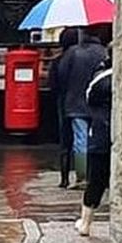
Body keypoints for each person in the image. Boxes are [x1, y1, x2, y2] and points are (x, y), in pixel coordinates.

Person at [55, 26, 107, 187]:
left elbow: (61, 76)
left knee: (80, 139)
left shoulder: (72, 53)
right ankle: (98, 175)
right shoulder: (103, 52)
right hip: (99, 103)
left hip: (76, 103)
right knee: (100, 139)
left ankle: (82, 176)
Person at [75, 51, 113, 236]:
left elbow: (89, 97)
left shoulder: (102, 78)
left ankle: (86, 222)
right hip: (119, 135)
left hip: (101, 134)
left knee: (95, 181)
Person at [50, 28, 80, 188]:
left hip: (64, 104)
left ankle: (64, 178)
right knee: (83, 140)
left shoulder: (58, 61)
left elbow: (53, 85)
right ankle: (82, 175)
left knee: (65, 143)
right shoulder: (88, 55)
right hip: (84, 103)